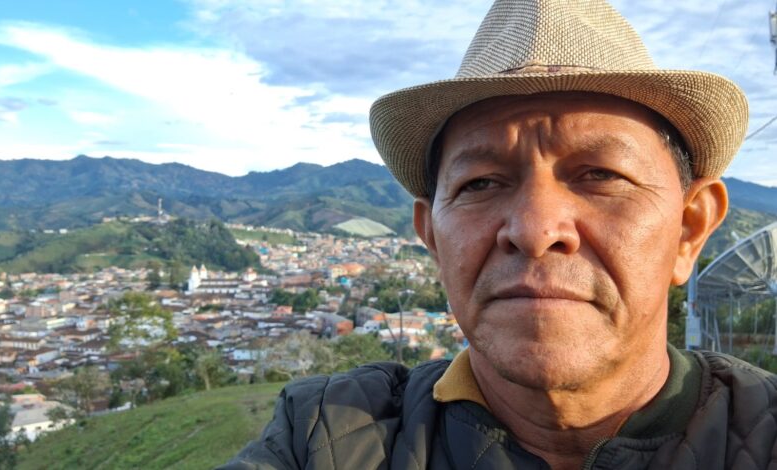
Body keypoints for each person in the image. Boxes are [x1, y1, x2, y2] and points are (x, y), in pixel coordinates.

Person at [221, 0, 777, 468]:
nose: (534, 230)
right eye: (481, 182)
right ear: (432, 238)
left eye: (601, 175)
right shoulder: (324, 437)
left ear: (689, 228)